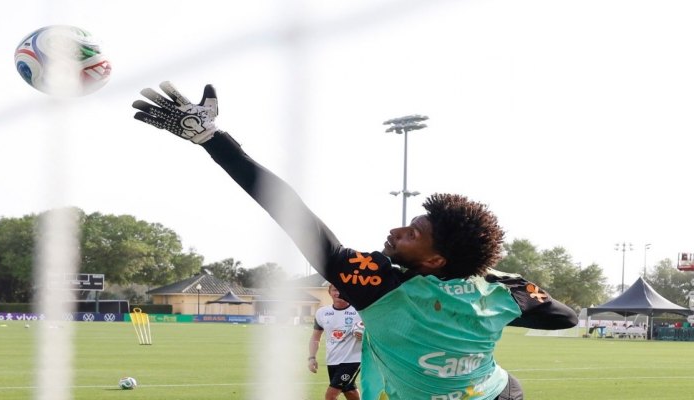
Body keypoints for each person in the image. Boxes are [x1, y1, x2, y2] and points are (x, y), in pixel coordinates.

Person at [132, 82, 579, 400]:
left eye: (413, 234)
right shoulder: (496, 294)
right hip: (500, 392)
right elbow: (563, 318)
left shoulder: (381, 284)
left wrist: (213, 140)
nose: (397, 232)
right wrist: (491, 284)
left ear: (437, 258)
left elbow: (291, 212)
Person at [309, 284, 363, 400]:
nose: (338, 293)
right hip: (332, 360)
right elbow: (315, 337)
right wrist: (312, 357)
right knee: (350, 391)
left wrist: (365, 335)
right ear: (329, 292)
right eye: (335, 289)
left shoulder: (359, 311)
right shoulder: (322, 313)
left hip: (353, 360)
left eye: (342, 290)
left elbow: (376, 330)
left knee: (331, 395)